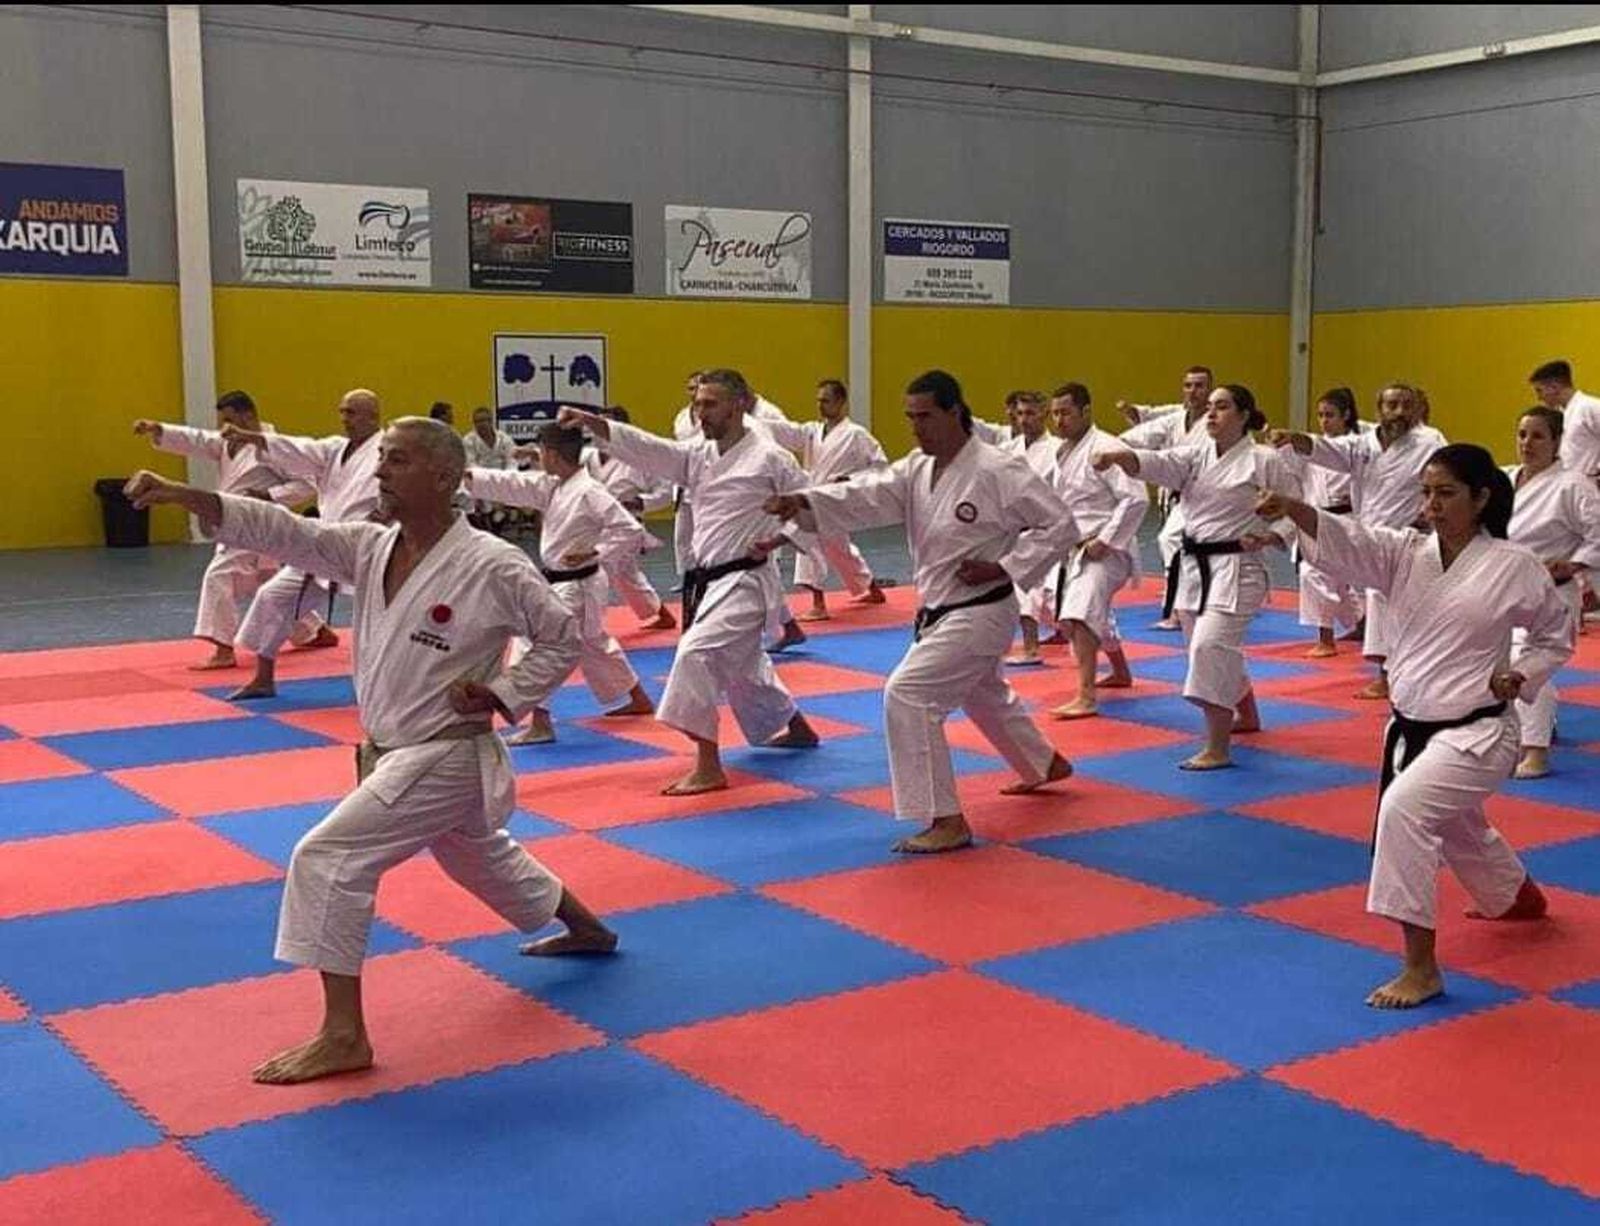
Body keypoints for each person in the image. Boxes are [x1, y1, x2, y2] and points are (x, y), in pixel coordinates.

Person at [122, 417, 616, 1084]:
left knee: (325, 858)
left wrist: (504, 691)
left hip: (446, 751)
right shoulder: (369, 548)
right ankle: (588, 930)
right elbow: (288, 533)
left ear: (444, 478)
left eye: (398, 460)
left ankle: (344, 1033)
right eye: (381, 459)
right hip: (392, 749)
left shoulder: (492, 563)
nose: (380, 471)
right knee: (483, 857)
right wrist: (191, 497)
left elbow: (561, 637)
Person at [1257, 444, 1570, 1009]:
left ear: (1481, 498)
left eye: (1446, 493)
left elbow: (1555, 633)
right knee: (1456, 825)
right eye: (1426, 492)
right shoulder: (1406, 553)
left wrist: (1521, 672)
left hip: (1479, 732)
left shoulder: (1513, 565)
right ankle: (1517, 898)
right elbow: (1351, 540)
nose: (1431, 504)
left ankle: (1420, 968)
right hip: (1413, 727)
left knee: (1405, 810)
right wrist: (1295, 508)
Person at [765, 370, 1076, 854]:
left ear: (955, 412)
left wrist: (1005, 565)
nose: (916, 428)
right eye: (910, 418)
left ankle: (946, 819)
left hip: (982, 610)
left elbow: (1059, 524)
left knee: (907, 695)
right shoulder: (916, 468)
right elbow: (866, 494)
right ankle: (1043, 763)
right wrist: (805, 502)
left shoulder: (998, 469)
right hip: (940, 610)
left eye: (925, 417)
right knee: (984, 694)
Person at [558, 370, 821, 796]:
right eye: (698, 404)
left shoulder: (771, 457)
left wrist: (780, 537)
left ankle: (708, 764)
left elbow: (813, 506)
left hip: (746, 579)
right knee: (744, 666)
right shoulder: (698, 454)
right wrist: (594, 423)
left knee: (696, 654)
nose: (700, 413)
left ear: (739, 405)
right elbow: (650, 449)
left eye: (710, 404)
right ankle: (799, 728)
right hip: (709, 580)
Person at [1097, 385, 1299, 770]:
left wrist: (1274, 535)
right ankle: (1248, 715)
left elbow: (1297, 508)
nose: (1211, 414)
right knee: (1204, 649)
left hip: (1238, 567)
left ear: (1243, 416)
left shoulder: (1264, 460)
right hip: (1194, 568)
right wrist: (1122, 456)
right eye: (1209, 408)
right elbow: (1159, 462)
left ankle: (1217, 746)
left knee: (1210, 648)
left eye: (1221, 407)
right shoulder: (1194, 455)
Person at [464, 423, 657, 744]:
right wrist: (470, 477)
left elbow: (630, 530)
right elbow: (515, 483)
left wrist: (595, 551)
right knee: (593, 645)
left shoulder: (589, 491)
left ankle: (540, 722)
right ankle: (638, 699)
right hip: (567, 583)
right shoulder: (555, 485)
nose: (538, 458)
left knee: (539, 643)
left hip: (577, 584)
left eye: (541, 452)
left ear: (552, 454)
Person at [1269, 383, 1445, 699]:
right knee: (1379, 604)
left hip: (1409, 537)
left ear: (1417, 409)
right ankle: (1391, 672)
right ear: (1379, 409)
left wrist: (1429, 509)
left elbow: (1445, 478)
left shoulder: (1430, 441)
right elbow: (1328, 450)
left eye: (1406, 405)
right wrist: (1296, 438)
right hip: (1372, 534)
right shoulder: (1363, 444)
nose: (1400, 412)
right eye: (1392, 405)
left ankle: (1391, 676)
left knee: (1396, 607)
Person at [133, 391, 317, 670]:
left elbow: (307, 485)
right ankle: (311, 630)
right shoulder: (228, 442)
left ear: (248, 416)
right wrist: (159, 429)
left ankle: (223, 650)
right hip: (235, 523)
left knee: (219, 575)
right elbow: (199, 439)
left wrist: (269, 495)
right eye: (223, 422)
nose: (224, 428)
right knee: (270, 579)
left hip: (258, 524)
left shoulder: (274, 447)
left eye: (230, 420)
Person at [219, 388, 384, 699]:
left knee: (373, 622)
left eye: (351, 412)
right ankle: (263, 678)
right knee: (272, 597)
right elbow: (300, 449)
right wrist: (254, 438)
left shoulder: (387, 451)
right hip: (322, 543)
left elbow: (399, 489)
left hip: (365, 547)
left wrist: (386, 516)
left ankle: (379, 688)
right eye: (342, 412)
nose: (344, 419)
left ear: (373, 416)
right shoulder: (335, 449)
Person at [1503, 407, 1600, 778]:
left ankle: (1536, 752)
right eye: (1522, 434)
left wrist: (1574, 563)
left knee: (1528, 669)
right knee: (1506, 665)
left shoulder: (1574, 485)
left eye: (1538, 436)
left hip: (1552, 596)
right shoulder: (1506, 478)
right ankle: (1529, 730)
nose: (1527, 443)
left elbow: (1597, 534)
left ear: (1558, 442)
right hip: (1507, 592)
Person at [1043, 383, 1147, 719]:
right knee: (1093, 611)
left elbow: (1136, 498)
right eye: (1055, 413)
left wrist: (1107, 539)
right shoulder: (1062, 452)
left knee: (1079, 615)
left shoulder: (1106, 448)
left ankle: (1086, 696)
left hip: (1107, 547)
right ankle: (1120, 672)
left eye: (1066, 412)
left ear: (1086, 411)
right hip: (1077, 548)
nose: (1059, 420)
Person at [758, 379, 888, 622]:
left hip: (836, 499)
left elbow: (880, 466)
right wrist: (751, 419)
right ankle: (871, 588)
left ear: (840, 402)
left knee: (808, 543)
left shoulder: (856, 434)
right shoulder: (812, 432)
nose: (820, 405)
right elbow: (786, 431)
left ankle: (818, 604)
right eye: (818, 400)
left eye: (826, 401)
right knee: (839, 548)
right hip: (813, 495)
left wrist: (850, 479)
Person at [1118, 366, 1216, 632]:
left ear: (1210, 390)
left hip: (1204, 496)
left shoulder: (1215, 422)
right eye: (1188, 385)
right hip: (1175, 497)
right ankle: (1189, 602)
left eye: (1199, 386)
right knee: (1184, 548)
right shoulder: (1175, 418)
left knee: (1171, 540)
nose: (1193, 391)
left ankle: (1177, 608)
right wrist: (1112, 446)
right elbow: (1144, 432)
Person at [587, 406, 676, 631]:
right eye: (598, 425)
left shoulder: (639, 458)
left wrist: (641, 501)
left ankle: (588, 625)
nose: (600, 431)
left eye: (606, 426)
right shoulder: (587, 456)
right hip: (597, 524)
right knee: (626, 575)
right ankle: (663, 615)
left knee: (596, 567)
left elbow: (666, 491)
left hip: (627, 525)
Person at [1292, 388, 1366, 658]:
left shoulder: (1358, 448)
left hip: (1348, 519)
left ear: (1346, 415)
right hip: (1316, 518)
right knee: (1318, 574)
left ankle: (1334, 635)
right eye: (1320, 415)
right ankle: (1336, 631)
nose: (1324, 421)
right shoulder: (1312, 447)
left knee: (1340, 577)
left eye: (1330, 415)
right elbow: (1289, 470)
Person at [1000, 392, 1060, 666]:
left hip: (1045, 528)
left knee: (1031, 589)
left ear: (1044, 415)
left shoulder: (1057, 449)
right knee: (1034, 591)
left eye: (1031, 414)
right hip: (1015, 527)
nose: (1024, 419)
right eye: (1020, 414)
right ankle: (1058, 631)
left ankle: (1031, 648)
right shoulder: (1010, 449)